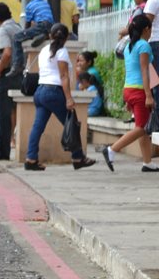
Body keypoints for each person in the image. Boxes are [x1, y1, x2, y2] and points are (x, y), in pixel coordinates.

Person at [23, 24, 95, 171]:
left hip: (40, 92)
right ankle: (78, 157)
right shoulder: (61, 52)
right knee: (72, 124)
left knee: (38, 127)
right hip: (53, 92)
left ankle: (31, 159)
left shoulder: (43, 50)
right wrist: (68, 98)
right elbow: (63, 76)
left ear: (50, 36)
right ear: (67, 37)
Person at [103, 15, 156, 172]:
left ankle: (147, 162)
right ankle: (112, 150)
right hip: (139, 91)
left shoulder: (128, 47)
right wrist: (148, 95)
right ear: (146, 29)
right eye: (151, 28)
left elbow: (130, 70)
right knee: (142, 128)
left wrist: (128, 99)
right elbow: (145, 70)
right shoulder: (144, 46)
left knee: (142, 127)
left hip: (129, 90)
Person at [0, 3, 21, 161]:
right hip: (18, 75)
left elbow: (7, 54)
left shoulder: (3, 30)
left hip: (5, 75)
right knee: (2, 114)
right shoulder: (18, 27)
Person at [10, 0, 54, 76]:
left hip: (41, 25)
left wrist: (25, 34)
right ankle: (44, 35)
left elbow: (28, 24)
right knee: (35, 31)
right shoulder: (45, 2)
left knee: (16, 38)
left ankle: (17, 65)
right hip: (50, 26)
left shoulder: (29, 6)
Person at [75, 50, 107, 118]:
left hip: (94, 105)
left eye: (81, 61)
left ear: (89, 62)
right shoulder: (88, 71)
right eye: (78, 61)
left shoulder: (92, 73)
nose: (79, 63)